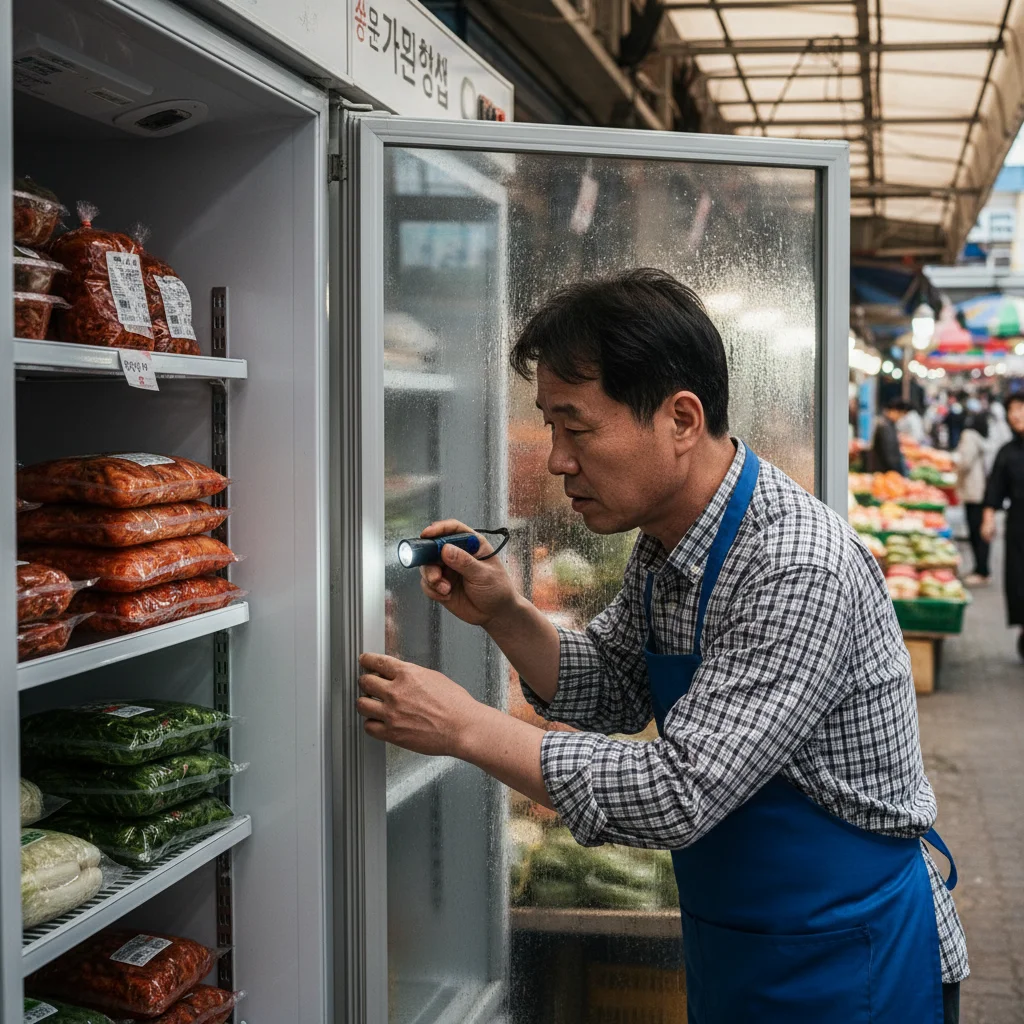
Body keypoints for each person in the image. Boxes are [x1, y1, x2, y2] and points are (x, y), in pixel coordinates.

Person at [357, 270, 967, 1022]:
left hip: (852, 956)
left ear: (681, 418)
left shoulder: (794, 563)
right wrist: (507, 613)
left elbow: (680, 792)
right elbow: (615, 684)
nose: (556, 461)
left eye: (577, 428)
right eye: (550, 428)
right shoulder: (669, 541)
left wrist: (465, 727)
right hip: (744, 944)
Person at [982, 392, 1024, 659]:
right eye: (1012, 410)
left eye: (1021, 409)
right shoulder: (1007, 452)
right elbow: (995, 488)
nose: (1015, 414)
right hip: (1019, 525)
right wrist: (988, 519)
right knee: (1019, 582)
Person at [954, 411, 991, 586]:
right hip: (981, 489)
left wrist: (954, 463)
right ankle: (981, 569)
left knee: (977, 532)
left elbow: (964, 462)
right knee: (979, 532)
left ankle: (981, 570)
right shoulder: (982, 438)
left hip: (973, 490)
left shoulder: (969, 436)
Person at [871, 397, 908, 474]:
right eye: (900, 414)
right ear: (893, 411)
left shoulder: (888, 424)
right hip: (884, 470)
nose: (900, 418)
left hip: (885, 470)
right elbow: (889, 453)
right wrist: (897, 470)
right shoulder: (885, 426)